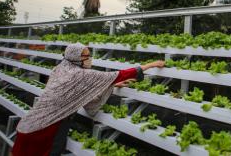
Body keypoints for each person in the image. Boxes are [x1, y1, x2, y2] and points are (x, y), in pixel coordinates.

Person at [10, 42, 165, 156]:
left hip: (30, 124)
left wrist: (113, 84)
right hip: (48, 128)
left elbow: (80, 90)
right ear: (76, 57)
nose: (90, 58)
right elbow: (118, 74)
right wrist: (150, 65)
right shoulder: (79, 74)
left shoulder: (60, 69)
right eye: (86, 56)